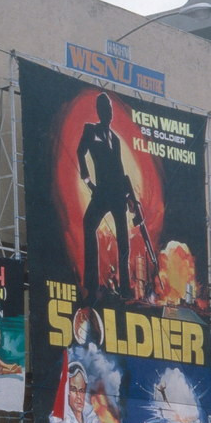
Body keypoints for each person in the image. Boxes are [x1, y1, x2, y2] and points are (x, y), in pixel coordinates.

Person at [77, 91, 132, 303]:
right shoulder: (90, 130)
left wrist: (128, 195)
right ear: (99, 111)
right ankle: (91, 284)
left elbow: (120, 168)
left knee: (123, 241)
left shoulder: (115, 139)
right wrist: (88, 182)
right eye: (105, 109)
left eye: (110, 109)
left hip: (117, 194)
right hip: (101, 192)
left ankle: (125, 288)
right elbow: (80, 152)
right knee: (88, 224)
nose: (109, 113)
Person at [48, 359, 106, 423]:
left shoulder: (93, 417)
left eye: (82, 390)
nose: (79, 396)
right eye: (74, 390)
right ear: (66, 391)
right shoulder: (57, 419)